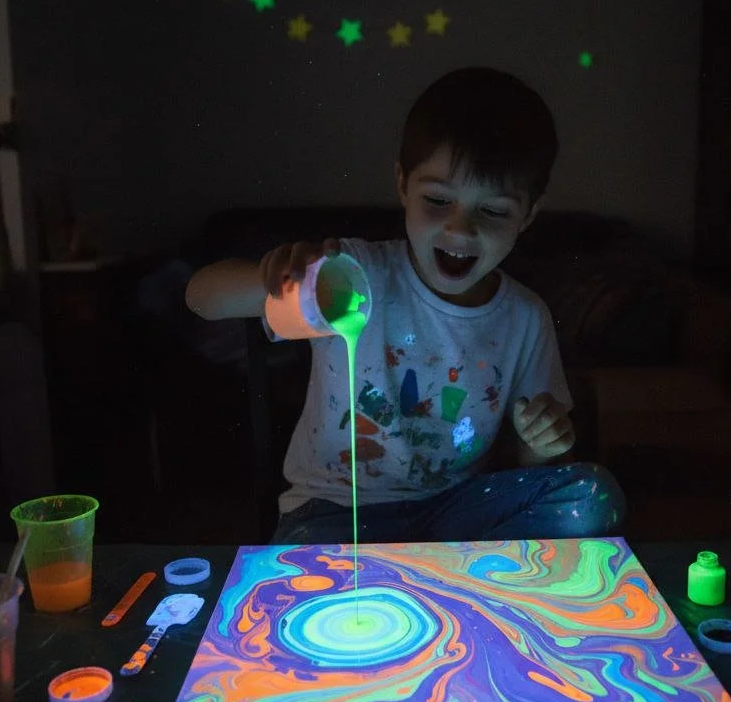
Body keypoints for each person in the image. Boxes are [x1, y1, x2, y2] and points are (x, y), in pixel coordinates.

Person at [185, 68, 626, 544]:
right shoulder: (348, 275)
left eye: (494, 210)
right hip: (334, 513)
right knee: (303, 567)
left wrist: (540, 444)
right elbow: (201, 298)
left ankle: (426, 577)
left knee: (591, 495)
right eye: (438, 200)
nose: (461, 230)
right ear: (402, 185)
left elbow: (527, 460)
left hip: (456, 516)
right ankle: (428, 581)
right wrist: (268, 276)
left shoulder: (524, 317)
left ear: (528, 215)